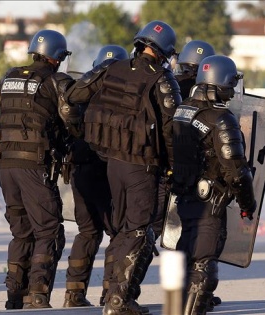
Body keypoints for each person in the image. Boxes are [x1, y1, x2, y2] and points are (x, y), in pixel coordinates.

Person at [62, 20, 181, 315]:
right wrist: (175, 168)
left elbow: (74, 95)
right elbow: (172, 131)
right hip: (142, 166)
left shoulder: (110, 68)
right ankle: (118, 299)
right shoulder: (163, 80)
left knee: (123, 230)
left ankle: (113, 294)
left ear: (139, 44)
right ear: (164, 52)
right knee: (138, 231)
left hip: (111, 163)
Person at [0, 29, 74, 309]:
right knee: (48, 229)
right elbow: (71, 120)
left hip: (4, 166)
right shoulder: (55, 82)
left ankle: (15, 295)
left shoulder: (8, 78)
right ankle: (37, 294)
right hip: (33, 165)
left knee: (21, 232)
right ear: (57, 57)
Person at [170, 55, 256, 315]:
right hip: (210, 202)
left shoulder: (182, 110)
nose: (232, 90)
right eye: (230, 84)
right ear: (221, 84)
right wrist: (247, 203)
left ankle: (176, 308)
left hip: (184, 197)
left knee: (184, 258)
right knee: (203, 265)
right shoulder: (221, 119)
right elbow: (237, 170)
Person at [61, 44, 128, 308]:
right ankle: (110, 294)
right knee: (117, 232)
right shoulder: (124, 97)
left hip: (80, 170)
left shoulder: (81, 92)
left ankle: (73, 294)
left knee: (87, 231)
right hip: (108, 170)